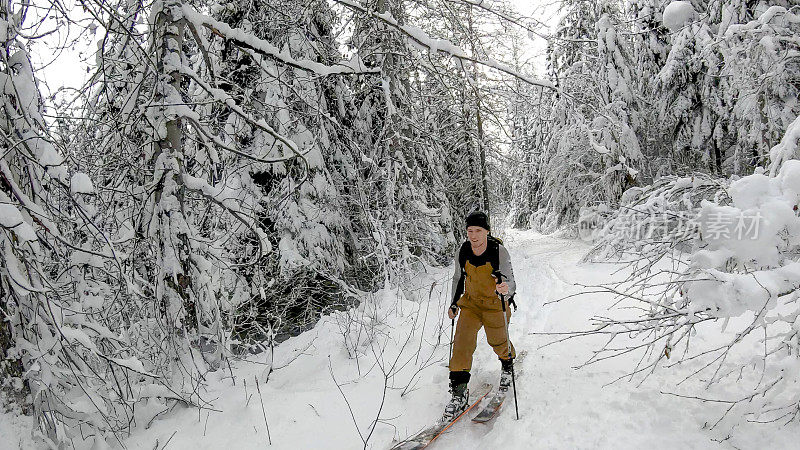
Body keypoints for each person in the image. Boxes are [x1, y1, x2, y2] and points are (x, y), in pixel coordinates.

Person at [444, 211, 517, 420]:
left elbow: (511, 281)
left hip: (496, 304)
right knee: (462, 343)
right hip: (472, 304)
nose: (473, 235)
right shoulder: (464, 250)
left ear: (486, 231)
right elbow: (458, 278)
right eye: (470, 231)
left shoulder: (498, 251)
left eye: (478, 231)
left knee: (499, 342)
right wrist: (454, 303)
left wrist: (506, 289)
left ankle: (507, 365)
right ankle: (458, 393)